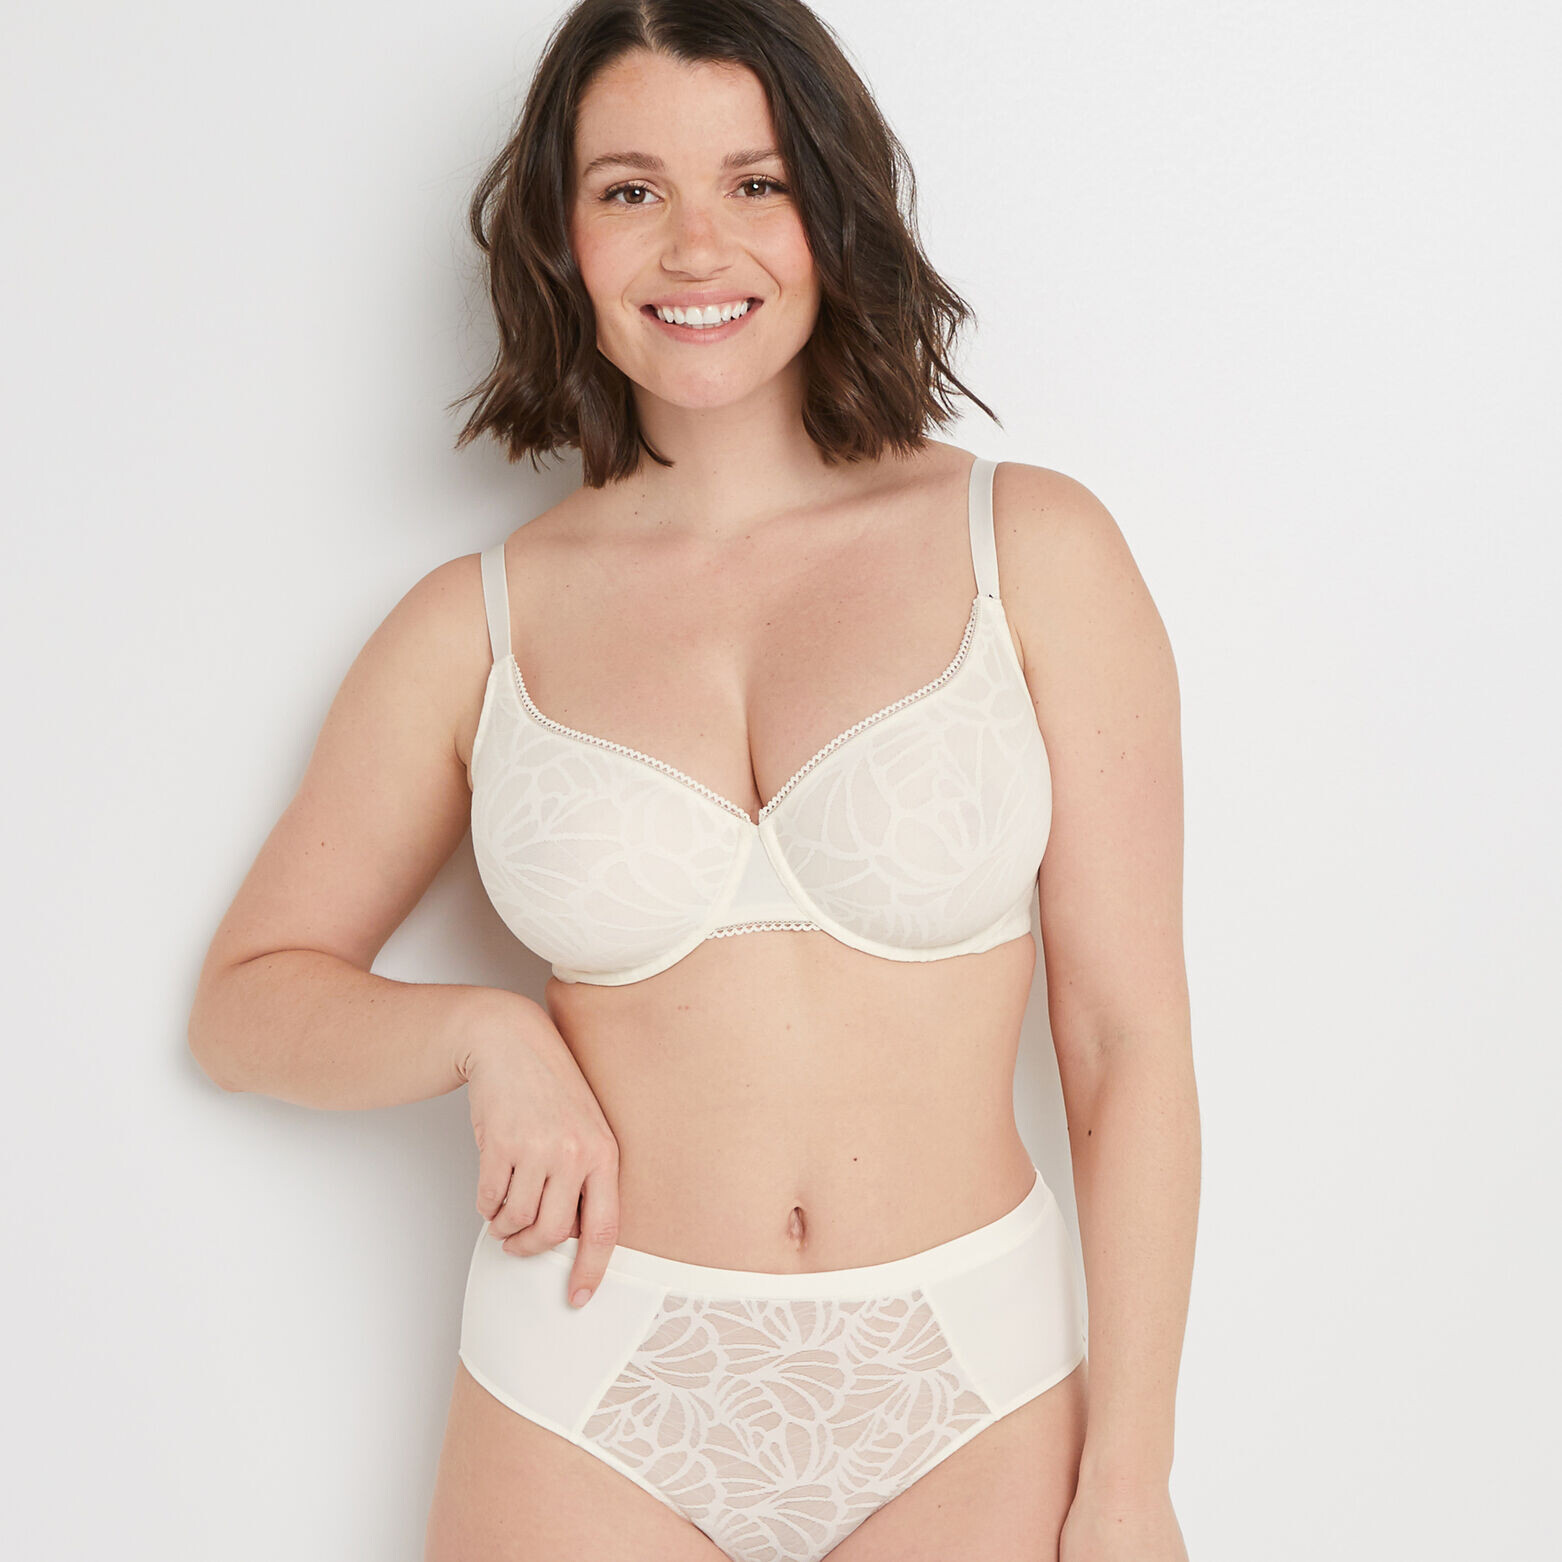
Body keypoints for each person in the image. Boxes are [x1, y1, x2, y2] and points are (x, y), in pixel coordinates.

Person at [187, 2, 1199, 1559]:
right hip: (582, 1386)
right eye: (631, 189)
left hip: (971, 1385)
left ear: (831, 209)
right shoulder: (473, 626)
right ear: (560, 234)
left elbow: (1123, 1045)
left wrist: (1127, 1479)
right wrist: (480, 1032)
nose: (695, 247)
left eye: (754, 182)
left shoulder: (1031, 552)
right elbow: (245, 1004)